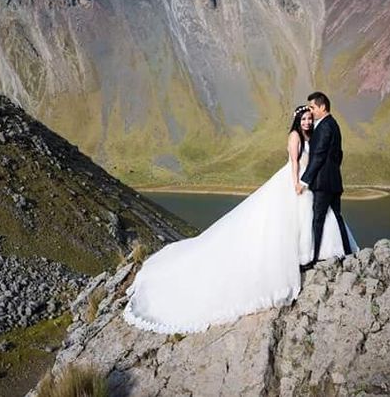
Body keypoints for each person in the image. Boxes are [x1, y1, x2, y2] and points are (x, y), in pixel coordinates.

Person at [123, 103, 358, 334]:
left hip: (309, 186)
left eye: (309, 118)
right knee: (290, 222)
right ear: (297, 121)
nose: (307, 121)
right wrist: (298, 183)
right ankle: (304, 255)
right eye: (304, 118)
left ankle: (317, 253)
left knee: (313, 218)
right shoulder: (295, 136)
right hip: (294, 183)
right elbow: (295, 162)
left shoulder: (312, 135)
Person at [296, 92, 352, 271]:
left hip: (323, 184)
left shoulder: (325, 127)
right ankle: (348, 253)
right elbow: (338, 155)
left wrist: (305, 181)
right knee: (337, 217)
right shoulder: (332, 124)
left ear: (322, 107)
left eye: (312, 107)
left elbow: (318, 156)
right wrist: (333, 171)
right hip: (333, 181)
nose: (311, 112)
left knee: (317, 219)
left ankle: (314, 259)